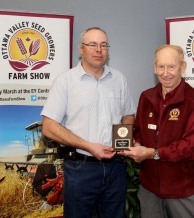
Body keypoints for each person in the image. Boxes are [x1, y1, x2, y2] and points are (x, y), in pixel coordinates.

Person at [41, 27, 136, 218]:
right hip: (80, 169)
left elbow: (128, 115)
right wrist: (88, 146)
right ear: (81, 49)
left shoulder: (119, 79)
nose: (98, 49)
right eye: (92, 44)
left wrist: (122, 141)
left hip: (115, 167)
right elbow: (49, 127)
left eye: (103, 45)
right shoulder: (65, 81)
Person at [119, 45, 194, 218]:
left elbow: (191, 147)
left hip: (185, 191)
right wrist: (136, 143)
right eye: (161, 67)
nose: (166, 73)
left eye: (171, 66)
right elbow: (138, 131)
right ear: (155, 68)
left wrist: (152, 153)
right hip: (150, 190)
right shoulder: (146, 97)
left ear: (182, 67)